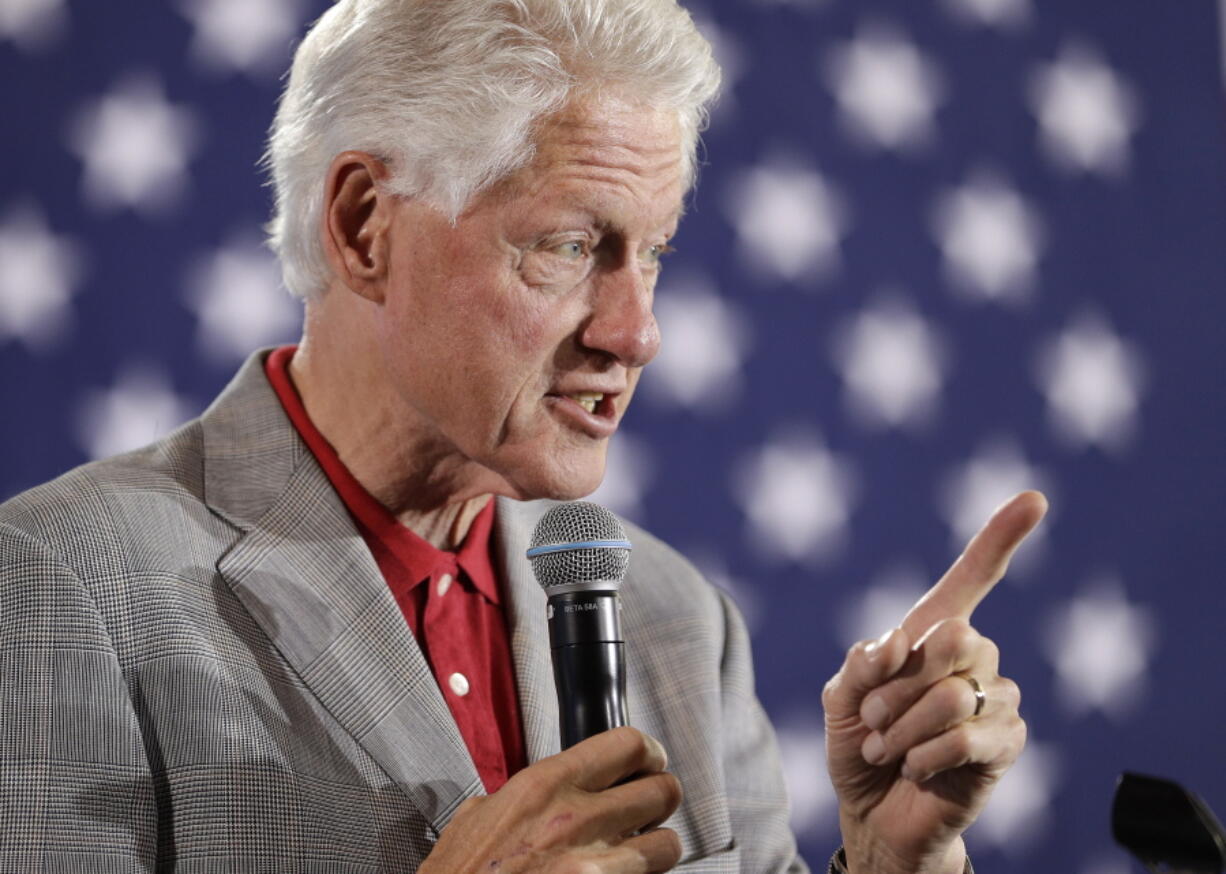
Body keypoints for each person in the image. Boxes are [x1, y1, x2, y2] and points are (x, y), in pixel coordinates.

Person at [0, 0, 1045, 871]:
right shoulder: (63, 584)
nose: (636, 332)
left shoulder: (679, 618)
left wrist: (884, 854)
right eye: (569, 244)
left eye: (652, 254)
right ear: (365, 225)